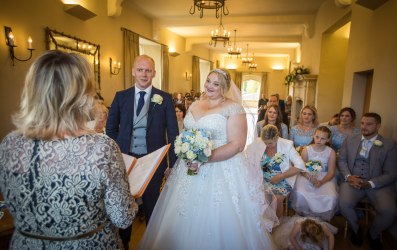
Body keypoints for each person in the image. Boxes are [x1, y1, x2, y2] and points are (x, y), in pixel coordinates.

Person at [0, 51, 137, 249]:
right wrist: (131, 196)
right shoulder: (101, 148)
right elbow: (123, 218)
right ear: (82, 94)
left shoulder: (9, 144)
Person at [138, 69, 278, 249]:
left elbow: (237, 145)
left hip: (221, 168)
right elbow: (187, 132)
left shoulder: (234, 108)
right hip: (188, 168)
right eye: (208, 81)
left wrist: (204, 159)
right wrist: (186, 150)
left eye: (216, 84)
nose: (209, 86)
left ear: (225, 87)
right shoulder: (196, 104)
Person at [106, 54, 179, 249]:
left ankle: (153, 244)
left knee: (152, 206)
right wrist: (117, 156)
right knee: (125, 207)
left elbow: (173, 134)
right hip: (125, 162)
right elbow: (110, 129)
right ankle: (125, 244)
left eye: (148, 70)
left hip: (154, 163)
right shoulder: (121, 97)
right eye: (140, 70)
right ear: (133, 72)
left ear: (154, 73)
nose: (144, 74)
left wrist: (172, 165)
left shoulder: (164, 98)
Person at [338, 112, 397, 249]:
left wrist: (370, 183)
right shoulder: (350, 139)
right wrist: (348, 177)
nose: (364, 127)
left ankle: (373, 233)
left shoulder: (389, 145)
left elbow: (391, 173)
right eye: (362, 123)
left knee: (389, 211)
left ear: (378, 126)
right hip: (352, 182)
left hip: (378, 185)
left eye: (369, 124)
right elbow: (341, 160)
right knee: (343, 203)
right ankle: (355, 228)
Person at [247, 124, 305, 218]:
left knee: (277, 199)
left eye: (270, 143)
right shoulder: (258, 142)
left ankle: (277, 224)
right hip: (262, 178)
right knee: (257, 196)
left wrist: (280, 177)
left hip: (282, 179)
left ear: (277, 138)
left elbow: (300, 165)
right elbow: (248, 159)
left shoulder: (287, 145)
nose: (267, 145)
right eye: (265, 143)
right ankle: (264, 224)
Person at [291, 126, 338, 221]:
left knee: (330, 195)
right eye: (317, 137)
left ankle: (319, 219)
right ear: (313, 136)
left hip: (325, 177)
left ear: (328, 139)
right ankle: (305, 217)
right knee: (300, 192)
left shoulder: (331, 152)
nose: (319, 140)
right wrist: (309, 177)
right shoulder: (306, 149)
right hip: (307, 175)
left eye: (323, 138)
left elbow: (331, 172)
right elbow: (302, 169)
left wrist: (321, 182)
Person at [272, 215, 337, 250]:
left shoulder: (322, 226)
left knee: (325, 244)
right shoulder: (298, 226)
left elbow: (331, 236)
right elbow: (292, 237)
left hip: (310, 230)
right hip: (297, 232)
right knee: (291, 246)